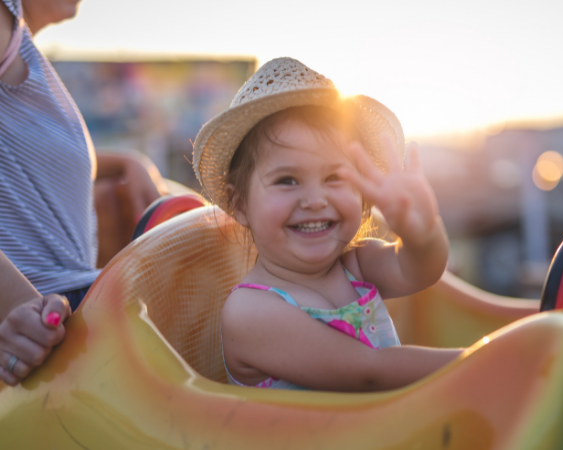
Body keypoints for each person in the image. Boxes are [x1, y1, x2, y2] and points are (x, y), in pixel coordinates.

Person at [193, 57, 463, 392]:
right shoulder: (251, 311)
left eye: (334, 177)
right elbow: (370, 372)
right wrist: (487, 358)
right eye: (288, 180)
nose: (315, 200)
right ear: (239, 205)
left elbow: (422, 271)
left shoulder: (356, 264)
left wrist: (421, 233)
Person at [0, 0, 164, 386]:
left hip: (59, 304)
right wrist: (18, 308)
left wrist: (125, 161)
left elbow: (30, 158)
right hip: (41, 321)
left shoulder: (21, 45)